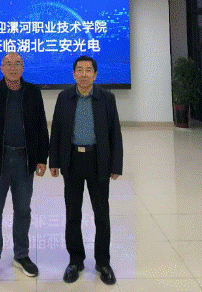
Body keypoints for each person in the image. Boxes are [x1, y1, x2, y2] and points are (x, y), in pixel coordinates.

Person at [0, 52, 49, 285]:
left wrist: (41, 158)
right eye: (8, 64)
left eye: (17, 64)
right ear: (1, 68)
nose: (13, 68)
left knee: (23, 211)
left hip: (24, 161)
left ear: (23, 67)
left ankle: (21, 255)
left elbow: (41, 127)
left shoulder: (33, 92)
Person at [49, 55, 123, 285]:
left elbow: (115, 133)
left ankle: (103, 262)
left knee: (101, 213)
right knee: (73, 213)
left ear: (95, 74)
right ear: (73, 74)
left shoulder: (106, 98)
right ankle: (75, 261)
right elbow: (57, 130)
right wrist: (54, 161)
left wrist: (116, 165)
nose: (83, 74)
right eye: (79, 70)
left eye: (88, 70)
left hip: (98, 160)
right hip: (72, 160)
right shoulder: (64, 97)